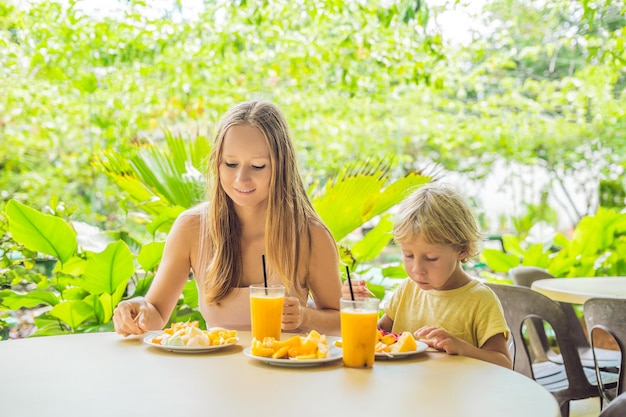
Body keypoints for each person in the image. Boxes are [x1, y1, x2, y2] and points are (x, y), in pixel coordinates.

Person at [114, 100, 343, 336]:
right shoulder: (191, 229)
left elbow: (341, 320)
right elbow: (156, 312)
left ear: (281, 167)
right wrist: (137, 309)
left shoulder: (310, 236)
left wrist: (305, 316)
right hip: (215, 372)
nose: (240, 179)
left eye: (257, 166)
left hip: (287, 367)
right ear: (217, 163)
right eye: (231, 164)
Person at [344, 182, 512, 368]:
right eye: (408, 255)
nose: (417, 269)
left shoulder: (480, 300)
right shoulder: (407, 290)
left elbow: (504, 363)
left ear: (462, 249)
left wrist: (462, 348)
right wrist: (356, 305)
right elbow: (377, 337)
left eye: (431, 258)